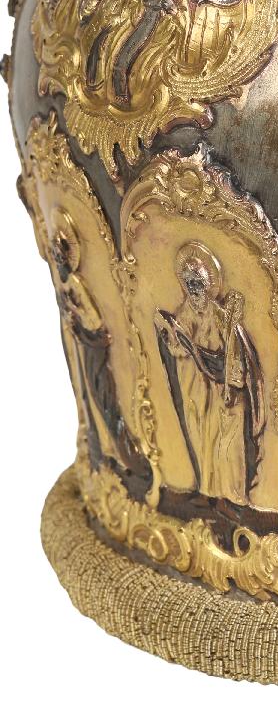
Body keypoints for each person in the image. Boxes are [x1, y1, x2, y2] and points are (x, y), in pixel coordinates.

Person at [50, 209, 152, 496]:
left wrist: (78, 323)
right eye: (56, 255)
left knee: (104, 399)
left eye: (60, 254)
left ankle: (123, 455)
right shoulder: (69, 283)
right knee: (93, 399)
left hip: (97, 353)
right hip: (86, 353)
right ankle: (105, 453)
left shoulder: (77, 287)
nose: (58, 259)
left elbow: (96, 326)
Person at [155, 242, 264, 504]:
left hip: (221, 389)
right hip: (197, 389)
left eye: (198, 283)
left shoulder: (218, 315)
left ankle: (232, 493)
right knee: (203, 437)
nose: (194, 289)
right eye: (189, 284)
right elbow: (180, 347)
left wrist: (230, 377)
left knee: (226, 441)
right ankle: (208, 489)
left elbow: (235, 350)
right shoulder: (185, 314)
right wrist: (170, 337)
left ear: (207, 284)